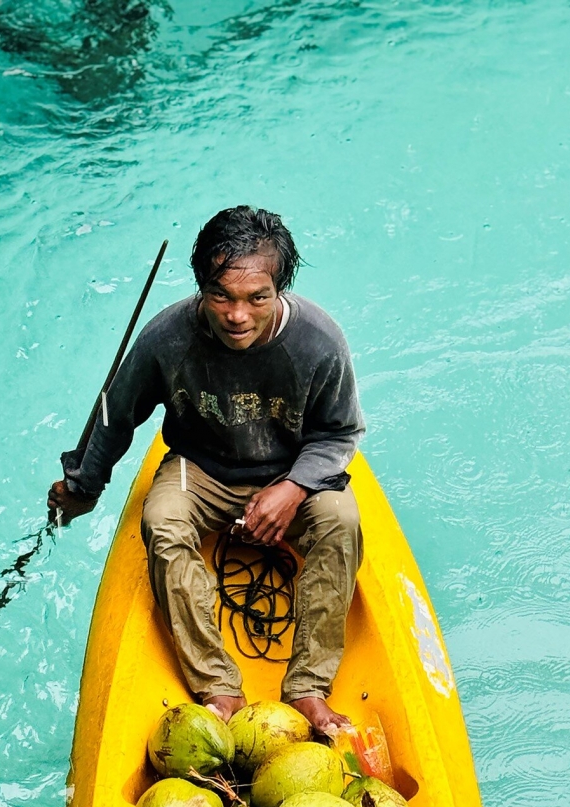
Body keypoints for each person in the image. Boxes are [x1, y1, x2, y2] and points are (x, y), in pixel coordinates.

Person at [48, 205, 364, 735]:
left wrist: (291, 487)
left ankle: (309, 686)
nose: (238, 314)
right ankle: (218, 684)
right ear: (201, 287)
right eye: (222, 295)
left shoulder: (319, 340)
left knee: (342, 520)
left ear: (279, 290)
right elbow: (117, 415)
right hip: (202, 469)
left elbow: (340, 433)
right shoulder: (168, 335)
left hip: (292, 471)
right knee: (163, 521)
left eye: (256, 298)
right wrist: (84, 486)